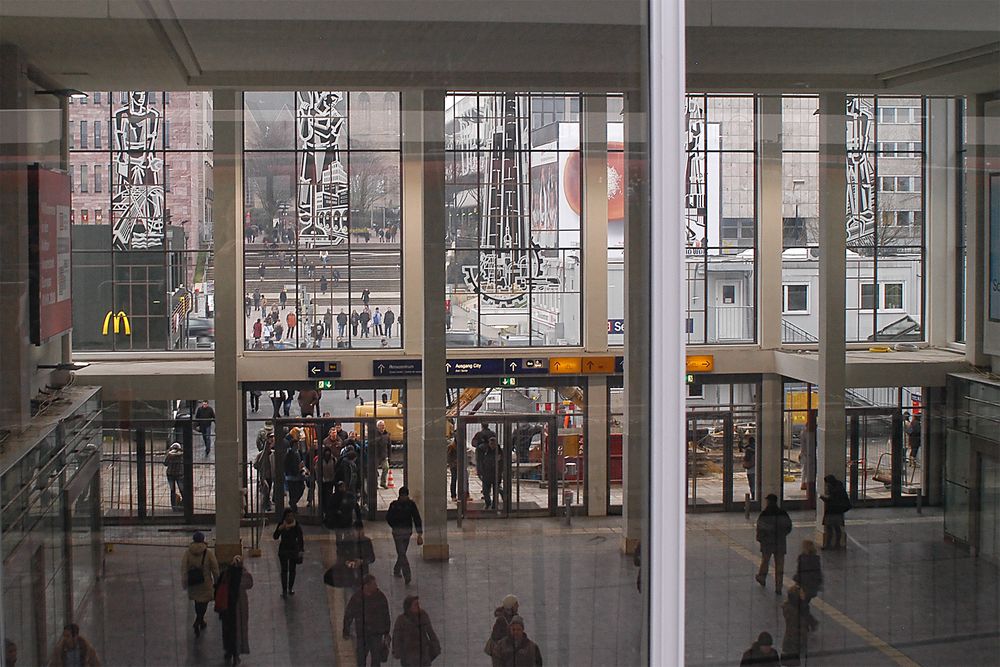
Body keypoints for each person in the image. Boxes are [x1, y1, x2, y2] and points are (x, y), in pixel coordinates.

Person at [343, 575, 391, 667]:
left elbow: (386, 615)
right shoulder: (357, 598)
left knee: (376, 659)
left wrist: (386, 632)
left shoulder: (380, 597)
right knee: (361, 658)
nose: (376, 586)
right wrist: (346, 630)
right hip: (363, 634)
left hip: (376, 634)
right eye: (373, 584)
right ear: (366, 586)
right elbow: (349, 614)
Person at [216, 555, 254, 665]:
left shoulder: (225, 575)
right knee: (239, 629)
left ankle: (228, 650)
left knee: (228, 630)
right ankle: (237, 654)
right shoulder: (244, 575)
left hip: (227, 608)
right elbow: (250, 584)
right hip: (240, 607)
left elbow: (218, 587)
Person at [181, 531, 219, 637]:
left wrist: (184, 581)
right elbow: (215, 568)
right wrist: (217, 581)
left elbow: (184, 568)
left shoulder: (188, 553)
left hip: (193, 582)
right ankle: (199, 620)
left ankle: (200, 621)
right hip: (205, 582)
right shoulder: (208, 553)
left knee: (197, 601)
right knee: (204, 602)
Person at [754, 493, 793, 594]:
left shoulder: (764, 514)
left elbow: (760, 528)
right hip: (780, 542)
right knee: (779, 564)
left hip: (767, 542)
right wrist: (782, 534)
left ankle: (762, 577)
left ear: (768, 502)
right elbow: (788, 527)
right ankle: (778, 586)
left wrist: (760, 539)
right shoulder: (783, 513)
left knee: (765, 561)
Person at [385, 487, 423, 585]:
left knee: (402, 552)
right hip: (398, 532)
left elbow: (416, 518)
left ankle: (397, 569)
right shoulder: (396, 505)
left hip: (405, 532)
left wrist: (419, 533)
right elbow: (389, 518)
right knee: (402, 553)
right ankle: (407, 574)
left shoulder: (409, 505)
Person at [392, 595, 441, 667]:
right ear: (408, 607)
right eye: (415, 604)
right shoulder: (401, 620)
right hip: (408, 657)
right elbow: (396, 637)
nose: (418, 606)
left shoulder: (423, 615)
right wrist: (397, 652)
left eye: (418, 604)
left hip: (424, 655)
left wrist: (436, 647)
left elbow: (430, 632)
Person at [780, 584, 817, 666]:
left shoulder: (800, 607)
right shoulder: (793, 610)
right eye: (801, 593)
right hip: (793, 643)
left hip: (797, 642)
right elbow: (797, 625)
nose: (804, 595)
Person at [273, 508, 304, 597]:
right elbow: (275, 536)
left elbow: (300, 539)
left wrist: (301, 550)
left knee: (292, 570)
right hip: (283, 550)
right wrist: (279, 529)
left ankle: (290, 588)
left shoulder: (296, 526)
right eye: (288, 516)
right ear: (285, 517)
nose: (290, 518)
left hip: (293, 550)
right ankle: (284, 590)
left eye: (291, 516)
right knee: (284, 570)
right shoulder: (281, 525)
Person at [820, 474, 851, 550]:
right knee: (837, 528)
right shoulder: (840, 487)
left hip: (832, 511)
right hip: (839, 512)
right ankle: (837, 544)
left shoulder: (833, 489)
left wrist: (822, 497)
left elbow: (831, 499)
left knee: (829, 528)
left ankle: (828, 544)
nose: (826, 485)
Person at [486, 595, 519, 667]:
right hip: (500, 653)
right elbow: (496, 637)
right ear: (511, 606)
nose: (518, 606)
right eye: (516, 604)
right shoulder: (501, 620)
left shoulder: (514, 617)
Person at [284, 428, 307, 509]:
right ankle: (293, 505)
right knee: (293, 492)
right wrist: (297, 468)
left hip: (298, 475)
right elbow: (287, 465)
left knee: (301, 488)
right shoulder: (289, 454)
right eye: (296, 445)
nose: (297, 446)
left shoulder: (297, 452)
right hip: (291, 476)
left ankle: (293, 503)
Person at [478, 436, 503, 510]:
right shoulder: (485, 451)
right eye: (491, 443)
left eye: (493, 443)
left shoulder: (500, 452)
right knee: (485, 491)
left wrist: (500, 471)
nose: (492, 445)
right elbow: (481, 461)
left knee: (496, 491)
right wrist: (480, 471)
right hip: (487, 473)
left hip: (496, 474)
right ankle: (487, 503)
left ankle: (495, 505)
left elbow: (502, 463)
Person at [254, 432, 274, 512]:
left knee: (268, 490)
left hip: (271, 475)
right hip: (263, 476)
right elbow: (256, 465)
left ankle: (267, 503)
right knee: (266, 489)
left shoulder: (273, 454)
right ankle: (266, 505)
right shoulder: (260, 455)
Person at [164, 442, 185, 510]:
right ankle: (177, 506)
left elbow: (165, 463)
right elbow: (165, 463)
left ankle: (179, 505)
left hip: (175, 474)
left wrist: (170, 454)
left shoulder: (180, 455)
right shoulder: (176, 455)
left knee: (177, 490)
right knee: (178, 489)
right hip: (177, 474)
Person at [375, 420, 391, 488]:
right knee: (374, 470)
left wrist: (389, 456)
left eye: (383, 425)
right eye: (381, 426)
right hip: (376, 455)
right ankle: (375, 484)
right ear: (377, 427)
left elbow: (389, 446)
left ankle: (383, 482)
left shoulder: (387, 434)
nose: (382, 427)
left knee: (386, 468)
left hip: (384, 455)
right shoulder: (375, 434)